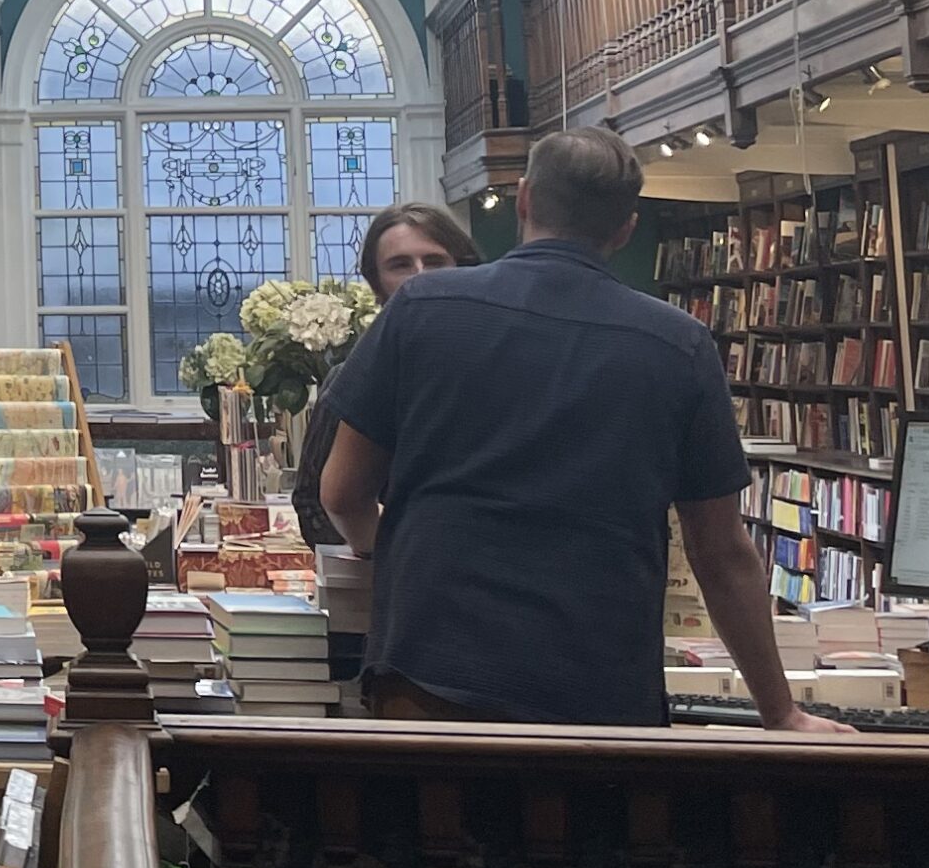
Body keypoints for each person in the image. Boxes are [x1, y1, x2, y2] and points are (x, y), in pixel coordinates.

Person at [317, 125, 840, 732]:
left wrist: (394, 558)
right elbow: (721, 554)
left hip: (435, 662)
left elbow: (342, 492)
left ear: (524, 200)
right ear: (626, 227)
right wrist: (781, 711)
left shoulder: (421, 309)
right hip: (597, 680)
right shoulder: (679, 346)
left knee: (436, 825)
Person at [289, 200, 480, 550]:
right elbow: (313, 503)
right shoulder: (353, 378)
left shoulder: (493, 363)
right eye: (401, 265)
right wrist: (387, 554)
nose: (421, 276)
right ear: (377, 284)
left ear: (461, 266)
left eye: (435, 261)